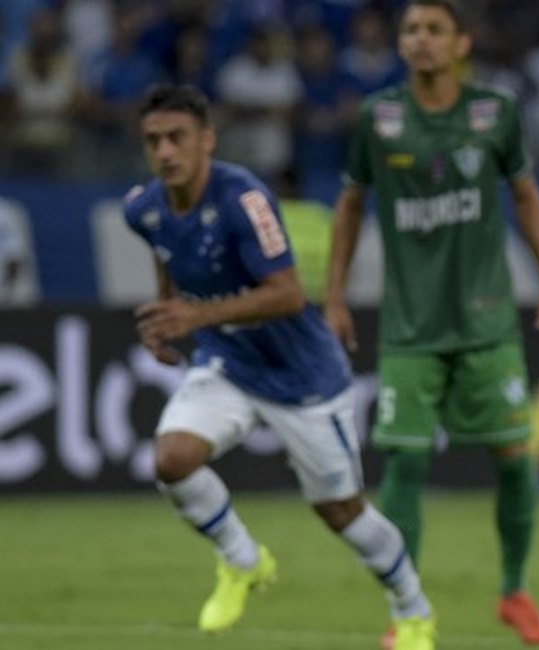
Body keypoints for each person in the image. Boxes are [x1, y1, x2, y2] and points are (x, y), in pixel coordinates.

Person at [124, 84, 436, 650]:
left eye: (177, 138)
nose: (165, 151)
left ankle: (413, 610)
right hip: (229, 362)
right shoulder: (142, 208)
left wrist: (195, 314)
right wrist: (168, 315)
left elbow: (289, 295)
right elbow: (165, 247)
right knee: (172, 458)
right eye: (153, 141)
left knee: (341, 512)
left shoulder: (245, 199)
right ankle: (242, 559)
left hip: (303, 376)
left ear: (207, 141)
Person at [324, 1, 539, 646]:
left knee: (515, 458)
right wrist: (335, 295)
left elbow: (525, 194)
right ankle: (406, 611)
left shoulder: (496, 112)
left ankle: (515, 592)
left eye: (434, 29)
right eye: (411, 30)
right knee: (403, 460)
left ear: (461, 42)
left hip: (487, 319)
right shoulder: (379, 118)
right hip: (411, 324)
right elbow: (350, 205)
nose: (421, 40)